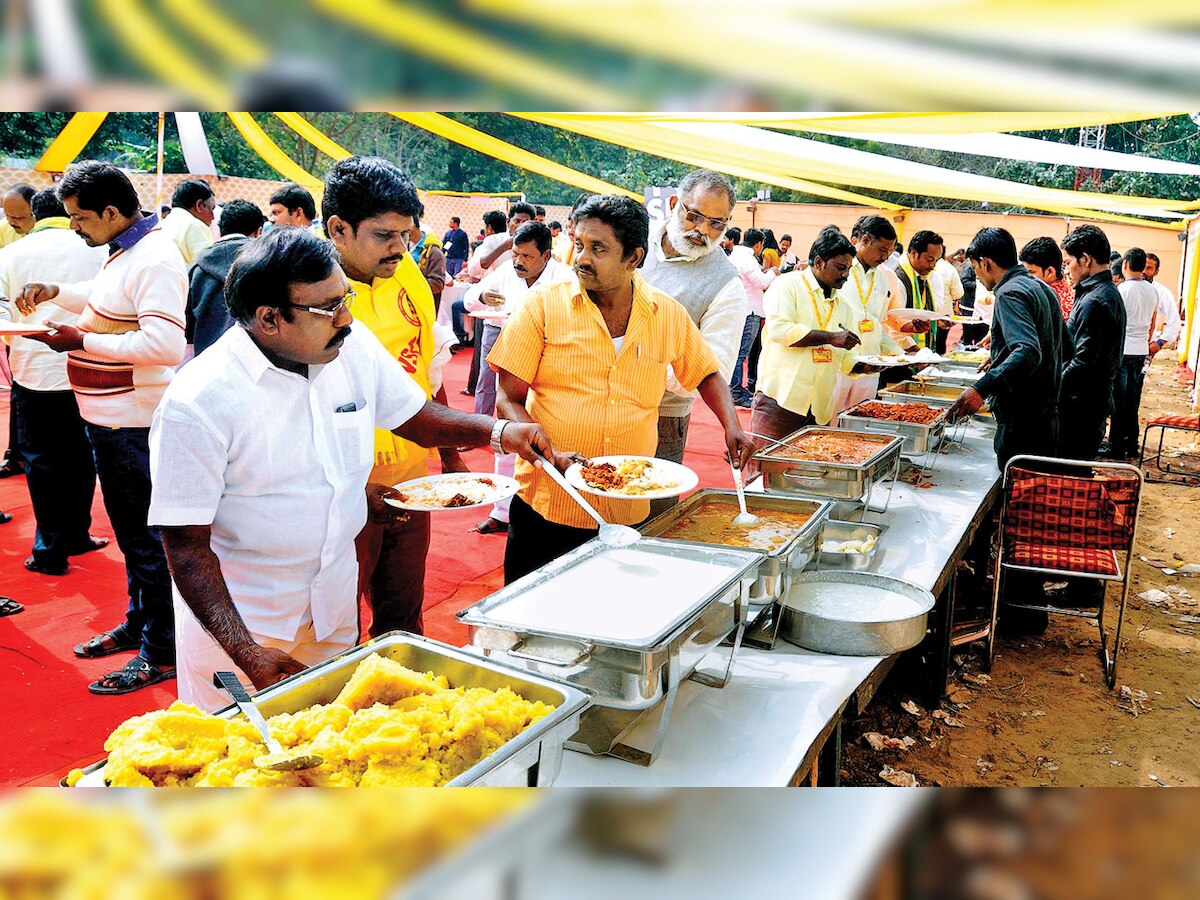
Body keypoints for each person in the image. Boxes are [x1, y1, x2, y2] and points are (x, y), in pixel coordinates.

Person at [146, 227, 560, 710]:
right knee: (237, 762)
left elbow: (413, 415)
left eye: (344, 297)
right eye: (328, 308)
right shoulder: (198, 402)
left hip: (333, 606)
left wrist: (497, 432)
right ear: (268, 319)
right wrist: (244, 650)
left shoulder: (348, 342)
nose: (346, 317)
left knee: (331, 746)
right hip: (245, 624)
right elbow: (186, 546)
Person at [490, 195, 753, 583]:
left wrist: (732, 425)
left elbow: (706, 372)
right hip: (548, 504)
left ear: (633, 257)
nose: (581, 258)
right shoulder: (541, 307)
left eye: (598, 249)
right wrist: (543, 447)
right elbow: (507, 396)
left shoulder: (667, 315)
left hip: (628, 506)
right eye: (579, 244)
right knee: (530, 628)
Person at [17, 161, 186, 694]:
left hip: (133, 424)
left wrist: (79, 341)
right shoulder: (128, 250)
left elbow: (163, 347)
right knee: (134, 536)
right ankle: (142, 625)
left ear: (113, 212)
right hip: (113, 421)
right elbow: (107, 299)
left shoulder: (155, 256)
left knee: (146, 542)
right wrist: (58, 292)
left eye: (81, 218)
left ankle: (161, 651)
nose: (74, 228)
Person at [322, 156, 468, 639]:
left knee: (403, 621)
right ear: (338, 229)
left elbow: (424, 372)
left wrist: (449, 457)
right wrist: (349, 491)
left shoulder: (407, 276)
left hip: (409, 483)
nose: (400, 248)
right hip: (337, 497)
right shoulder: (304, 291)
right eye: (385, 235)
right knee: (331, 632)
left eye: (406, 234)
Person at [0, 188, 107, 577]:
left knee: (42, 462)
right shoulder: (99, 251)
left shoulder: (10, 254)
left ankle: (50, 549)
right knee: (83, 456)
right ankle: (78, 533)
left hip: (33, 372)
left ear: (32, 215)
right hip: (90, 367)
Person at [639, 169, 744, 519]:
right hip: (592, 401)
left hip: (662, 417)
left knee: (651, 516)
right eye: (694, 215)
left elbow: (712, 367)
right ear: (673, 204)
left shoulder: (726, 283)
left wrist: (636, 366)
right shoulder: (633, 242)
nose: (702, 231)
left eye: (717, 224)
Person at [465, 221, 573, 534]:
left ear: (546, 256)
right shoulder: (507, 274)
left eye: (527, 256)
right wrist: (485, 298)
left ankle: (542, 506)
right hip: (509, 354)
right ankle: (501, 511)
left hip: (549, 361)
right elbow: (471, 298)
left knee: (543, 430)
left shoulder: (565, 279)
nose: (518, 261)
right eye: (516, 254)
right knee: (507, 429)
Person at [946, 228, 1066, 468]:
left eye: (975, 268)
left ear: (986, 262)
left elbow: (1029, 351)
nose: (977, 276)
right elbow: (1063, 347)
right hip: (1046, 418)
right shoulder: (1042, 287)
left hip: (1022, 422)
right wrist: (1002, 356)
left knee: (1018, 493)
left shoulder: (1009, 293)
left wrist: (981, 388)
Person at [752, 229, 863, 443]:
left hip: (818, 408)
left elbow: (843, 358)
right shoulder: (787, 285)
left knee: (806, 473)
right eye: (840, 268)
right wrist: (831, 337)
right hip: (781, 400)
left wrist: (864, 366)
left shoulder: (844, 306)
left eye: (849, 269)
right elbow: (780, 330)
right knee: (765, 472)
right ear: (819, 262)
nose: (846, 275)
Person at [1056, 225, 1125, 461]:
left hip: (1080, 410)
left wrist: (1050, 388)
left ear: (1085, 259)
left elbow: (1082, 363)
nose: (1065, 270)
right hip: (1087, 406)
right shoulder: (1098, 293)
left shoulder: (1095, 301)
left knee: (1069, 478)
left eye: (1067, 263)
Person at [834, 215, 905, 411]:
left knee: (859, 423)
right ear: (864, 240)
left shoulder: (883, 278)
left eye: (890, 251)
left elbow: (877, 325)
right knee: (830, 427)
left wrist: (901, 355)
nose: (886, 257)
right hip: (840, 364)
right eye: (882, 250)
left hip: (870, 366)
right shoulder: (839, 270)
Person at [187, 199, 264, 356]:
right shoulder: (269, 266)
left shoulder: (197, 268)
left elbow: (187, 328)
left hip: (207, 362)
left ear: (221, 228)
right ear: (259, 231)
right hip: (256, 366)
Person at [0, 184, 38, 478]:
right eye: (8, 216)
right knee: (18, 393)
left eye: (19, 217)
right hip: (13, 328)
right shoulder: (6, 231)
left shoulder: (48, 238)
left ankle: (23, 452)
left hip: (40, 329)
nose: (13, 223)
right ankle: (15, 453)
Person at [1108, 248, 1158, 459]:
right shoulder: (1152, 290)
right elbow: (1153, 322)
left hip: (1123, 350)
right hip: (1140, 351)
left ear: (1125, 264)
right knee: (1133, 400)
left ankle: (1117, 446)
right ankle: (1132, 443)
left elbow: (1115, 323)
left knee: (1119, 401)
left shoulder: (1122, 290)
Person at [728, 228, 778, 407]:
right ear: (758, 245)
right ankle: (735, 393)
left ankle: (735, 389)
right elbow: (761, 282)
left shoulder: (735, 256)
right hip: (750, 311)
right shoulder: (747, 259)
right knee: (741, 354)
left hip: (743, 309)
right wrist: (773, 272)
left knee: (739, 352)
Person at [892, 230, 943, 351]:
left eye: (936, 260)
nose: (933, 265)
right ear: (914, 253)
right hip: (899, 352)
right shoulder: (898, 279)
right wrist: (915, 350)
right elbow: (893, 323)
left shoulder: (923, 278)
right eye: (930, 259)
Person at [160, 179, 216, 265]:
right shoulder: (194, 225)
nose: (213, 217)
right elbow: (208, 266)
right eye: (211, 209)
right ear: (199, 205)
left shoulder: (163, 224)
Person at [1019, 236, 1074, 320]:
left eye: (1031, 272)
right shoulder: (1067, 292)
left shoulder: (1043, 298)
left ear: (1049, 272)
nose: (1025, 277)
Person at [1144, 253, 1181, 361]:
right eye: (1143, 266)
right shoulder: (1127, 287)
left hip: (1147, 347)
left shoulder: (1162, 293)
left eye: (1149, 268)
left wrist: (1159, 343)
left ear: (1156, 272)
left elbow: (1174, 322)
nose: (1144, 271)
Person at [408, 206, 447, 308]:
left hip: (422, 306)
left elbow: (437, 283)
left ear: (412, 225)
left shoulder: (434, 252)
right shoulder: (402, 246)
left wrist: (410, 287)